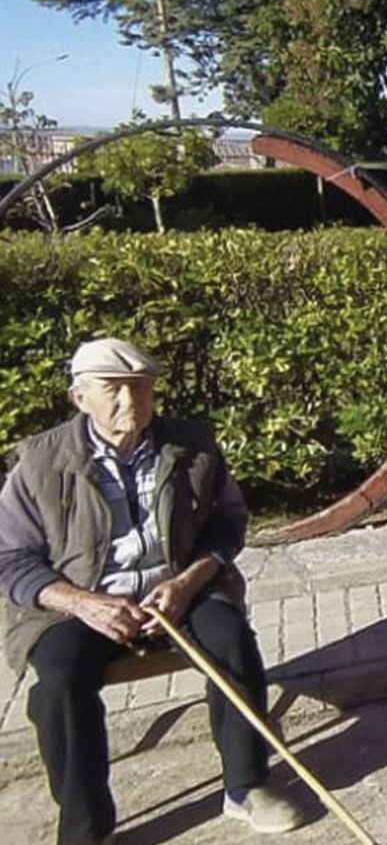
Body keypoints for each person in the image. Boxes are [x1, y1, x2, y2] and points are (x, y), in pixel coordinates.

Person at [0, 338, 305, 844]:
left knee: (230, 640)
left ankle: (247, 785)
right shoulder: (39, 463)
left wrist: (187, 582)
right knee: (57, 680)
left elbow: (229, 523)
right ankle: (85, 827)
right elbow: (8, 557)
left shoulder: (192, 447)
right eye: (113, 390)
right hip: (83, 603)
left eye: (141, 388)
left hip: (178, 590)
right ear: (80, 398)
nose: (131, 403)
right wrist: (83, 603)